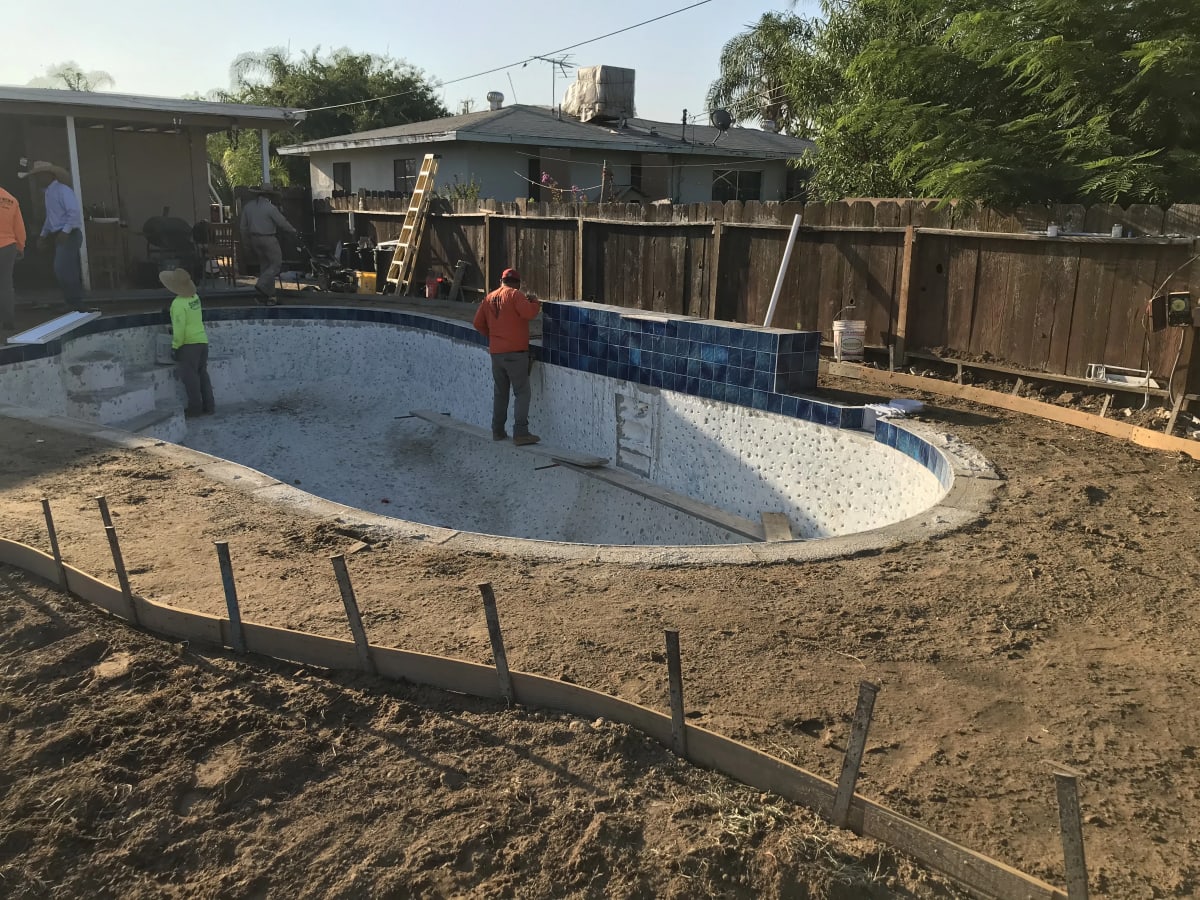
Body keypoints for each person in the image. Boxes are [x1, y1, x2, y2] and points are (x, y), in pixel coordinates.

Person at [473, 267, 541, 445]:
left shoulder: (489, 297)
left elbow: (477, 323)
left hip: (496, 353)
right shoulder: (515, 295)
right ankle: (521, 433)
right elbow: (529, 313)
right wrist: (535, 302)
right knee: (522, 392)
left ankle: (498, 431)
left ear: (501, 281)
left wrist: (494, 337)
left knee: (501, 393)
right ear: (517, 283)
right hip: (515, 353)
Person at [18, 161, 83, 311]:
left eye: (39, 175)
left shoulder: (63, 190)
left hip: (69, 233)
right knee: (64, 269)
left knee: (63, 268)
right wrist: (43, 235)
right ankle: (72, 302)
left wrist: (65, 232)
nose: (37, 179)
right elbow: (51, 217)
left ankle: (76, 303)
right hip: (60, 233)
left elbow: (73, 212)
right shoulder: (49, 193)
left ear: (48, 175)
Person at [160, 267, 214, 418]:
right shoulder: (195, 298)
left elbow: (180, 328)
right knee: (202, 375)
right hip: (202, 341)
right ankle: (209, 406)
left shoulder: (177, 304)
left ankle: (195, 409)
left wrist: (175, 346)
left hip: (188, 345)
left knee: (191, 380)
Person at [239, 186, 298, 305]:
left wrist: (246, 243)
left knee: (265, 266)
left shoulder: (248, 207)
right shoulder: (270, 208)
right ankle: (261, 284)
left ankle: (269, 296)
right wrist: (293, 230)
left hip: (254, 239)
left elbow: (243, 228)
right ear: (269, 196)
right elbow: (282, 223)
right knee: (276, 264)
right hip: (268, 238)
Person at [0, 185, 25, 332]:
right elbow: (19, 227)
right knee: (6, 285)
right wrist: (20, 246)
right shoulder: (11, 199)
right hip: (8, 246)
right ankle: (8, 321)